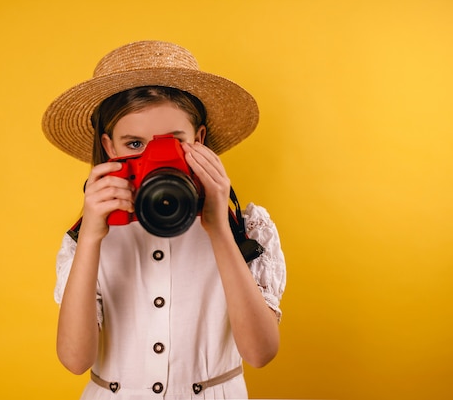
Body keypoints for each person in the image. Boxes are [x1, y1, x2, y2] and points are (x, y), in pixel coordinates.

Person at [43, 40, 286, 399]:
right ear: (110, 148)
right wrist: (92, 238)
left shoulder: (245, 228)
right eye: (135, 144)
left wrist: (219, 227)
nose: (156, 157)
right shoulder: (88, 236)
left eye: (173, 141)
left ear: (199, 140)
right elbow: (75, 360)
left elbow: (260, 353)